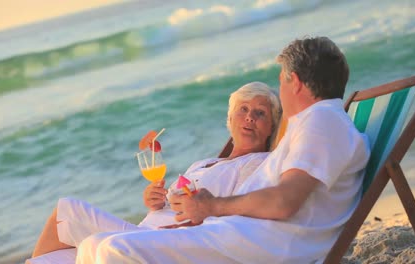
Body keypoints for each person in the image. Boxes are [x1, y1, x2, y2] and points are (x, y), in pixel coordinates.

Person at [80, 36, 371, 263]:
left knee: (114, 251)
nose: (280, 90)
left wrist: (211, 207)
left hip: (267, 248)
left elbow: (284, 201)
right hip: (238, 235)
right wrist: (201, 221)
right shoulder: (316, 123)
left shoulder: (322, 121)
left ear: (293, 82)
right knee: (94, 245)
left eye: (280, 80)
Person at [27, 81, 282, 263]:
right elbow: (172, 204)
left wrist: (198, 216)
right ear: (230, 119)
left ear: (271, 126)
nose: (249, 118)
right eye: (243, 110)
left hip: (161, 242)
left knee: (69, 211)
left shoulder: (258, 163)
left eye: (260, 113)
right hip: (144, 230)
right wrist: (155, 202)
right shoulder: (204, 163)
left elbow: (239, 213)